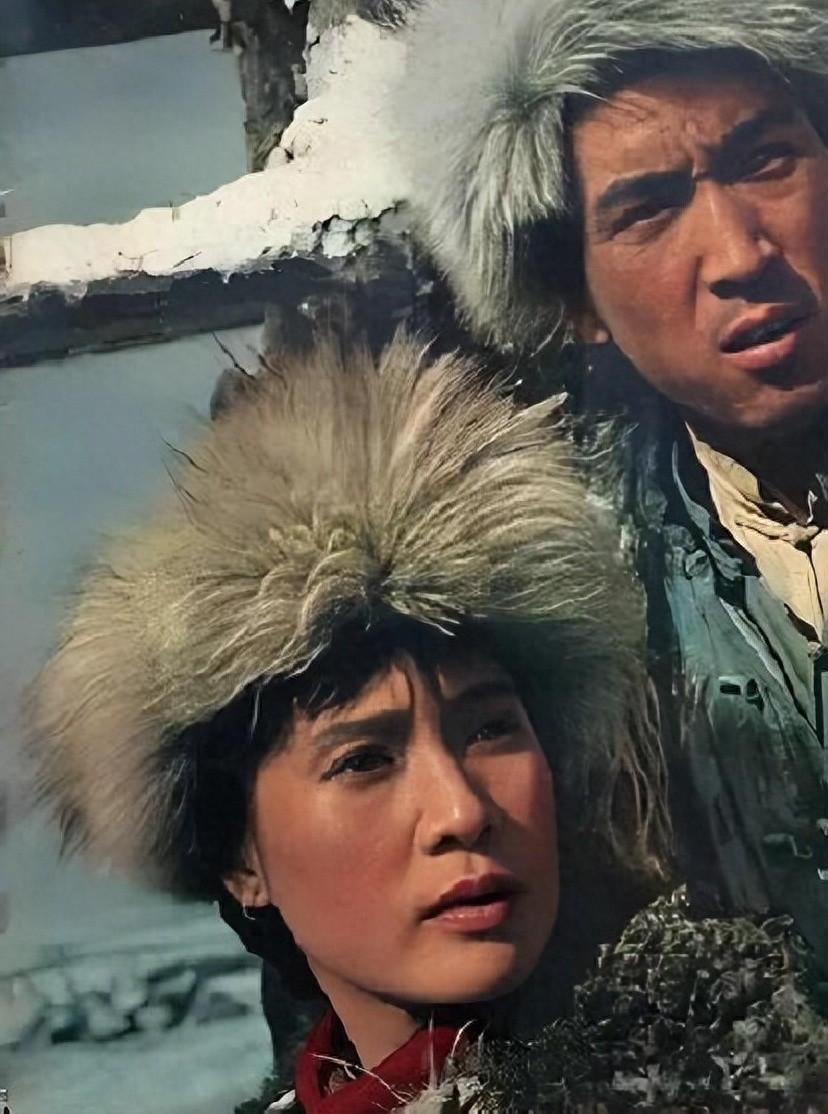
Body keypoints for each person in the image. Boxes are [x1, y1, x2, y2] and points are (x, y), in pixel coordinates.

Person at [393, 0, 828, 1101]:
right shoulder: (575, 596)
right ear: (575, 298)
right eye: (648, 208)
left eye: (767, 159)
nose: (737, 250)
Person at [26, 336, 664, 1113]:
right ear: (241, 860)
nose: (460, 812)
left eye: (490, 729)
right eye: (364, 760)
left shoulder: (731, 1075)